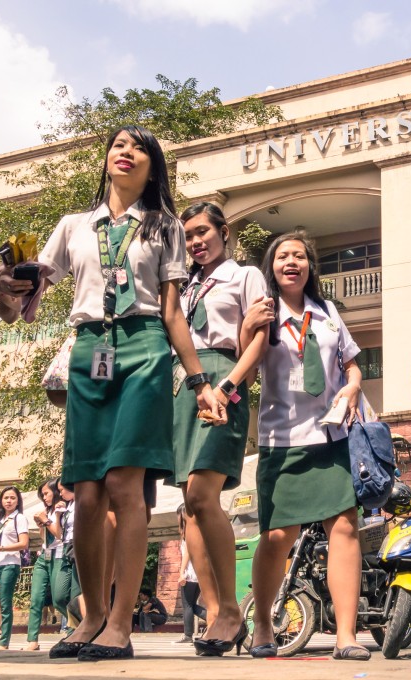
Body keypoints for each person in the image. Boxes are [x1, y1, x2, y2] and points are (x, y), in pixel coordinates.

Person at [0, 125, 225, 662]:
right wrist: (2, 292)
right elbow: (23, 304)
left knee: (123, 484)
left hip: (143, 348)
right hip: (88, 350)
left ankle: (120, 624)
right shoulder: (73, 226)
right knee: (87, 492)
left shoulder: (165, 226)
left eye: (138, 147)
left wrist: (199, 381)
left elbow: (171, 313)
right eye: (119, 144)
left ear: (152, 165)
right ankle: (91, 616)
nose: (126, 152)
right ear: (107, 158)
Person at [241, 232, 367, 660]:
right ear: (271, 267)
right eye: (282, 256)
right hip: (281, 439)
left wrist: (351, 390)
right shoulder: (263, 311)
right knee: (279, 535)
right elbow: (247, 365)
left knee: (345, 528)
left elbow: (351, 366)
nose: (291, 261)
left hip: (331, 437)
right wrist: (246, 328)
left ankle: (346, 636)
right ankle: (261, 627)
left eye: (299, 255)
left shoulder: (328, 312)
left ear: (310, 266)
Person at [168, 201, 268, 656]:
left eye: (203, 231)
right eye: (189, 235)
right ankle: (214, 610)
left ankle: (230, 608)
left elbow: (260, 340)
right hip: (181, 385)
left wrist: (227, 387)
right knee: (187, 506)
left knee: (202, 495)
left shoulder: (245, 275)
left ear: (224, 232)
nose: (196, 241)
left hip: (222, 377)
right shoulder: (182, 283)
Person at [26, 478, 72, 651]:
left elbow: (60, 535)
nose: (44, 497)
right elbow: (44, 537)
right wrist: (41, 524)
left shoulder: (64, 507)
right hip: (43, 556)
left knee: (59, 597)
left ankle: (75, 628)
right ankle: (32, 640)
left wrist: (46, 521)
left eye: (46, 493)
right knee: (36, 598)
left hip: (59, 555)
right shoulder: (46, 510)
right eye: (42, 495)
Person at [0, 486, 29, 650]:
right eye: (6, 498)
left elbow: (23, 543)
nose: (9, 501)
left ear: (18, 501)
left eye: (12, 498)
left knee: (5, 602)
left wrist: (1, 548)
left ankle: (4, 641)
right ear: (1, 501)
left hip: (9, 563)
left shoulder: (20, 518)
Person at [174, 505, 207, 644]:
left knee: (187, 605)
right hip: (198, 573)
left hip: (190, 574)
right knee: (192, 605)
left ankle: (188, 635)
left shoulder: (188, 532)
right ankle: (214, 618)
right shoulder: (199, 530)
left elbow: (187, 552)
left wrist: (181, 573)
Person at [54, 482, 81, 632]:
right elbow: (59, 535)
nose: (61, 493)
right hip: (65, 547)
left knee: (76, 594)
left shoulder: (82, 502)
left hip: (79, 545)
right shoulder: (68, 506)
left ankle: (76, 631)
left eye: (62, 490)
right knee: (59, 597)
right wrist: (58, 515)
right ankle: (79, 624)